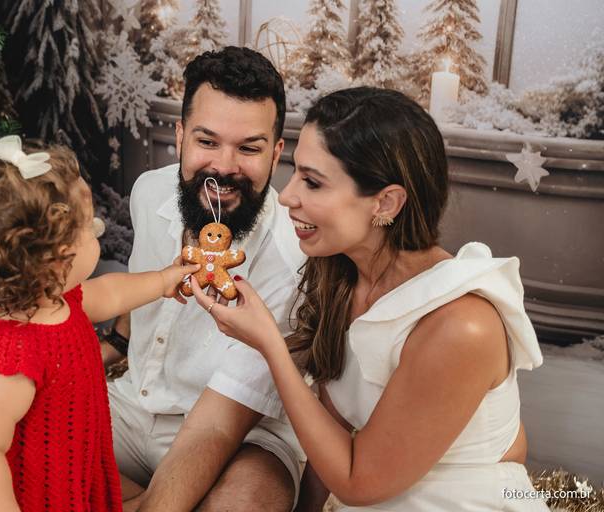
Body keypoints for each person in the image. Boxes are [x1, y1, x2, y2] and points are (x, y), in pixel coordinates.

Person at [191, 88, 550, 511]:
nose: (287, 196)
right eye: (295, 173)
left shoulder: (460, 324)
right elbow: (332, 433)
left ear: (386, 202)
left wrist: (270, 343)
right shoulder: (343, 275)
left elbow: (358, 482)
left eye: (312, 181)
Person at [0, 136, 198, 512]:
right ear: (57, 259)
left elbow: (110, 293)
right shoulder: (9, 356)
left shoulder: (56, 296)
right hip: (5, 494)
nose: (97, 230)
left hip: (57, 462)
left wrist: (163, 281)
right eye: (89, 229)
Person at [100, 47, 306, 511]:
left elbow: (218, 425)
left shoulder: (292, 257)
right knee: (12, 449)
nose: (223, 168)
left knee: (245, 503)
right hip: (134, 406)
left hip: (243, 431)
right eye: (207, 141)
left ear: (275, 154)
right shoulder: (149, 191)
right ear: (179, 136)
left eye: (249, 148)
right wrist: (115, 340)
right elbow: (140, 285)